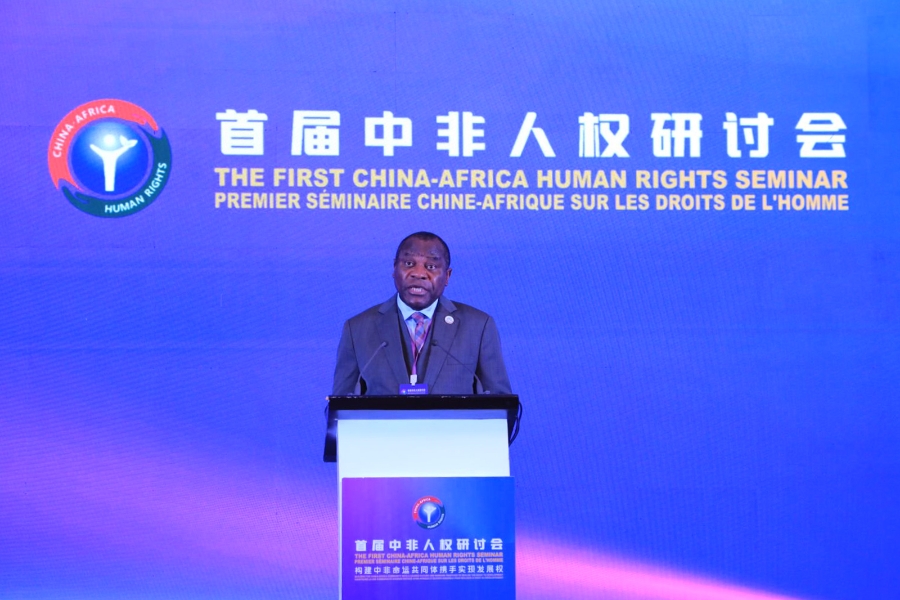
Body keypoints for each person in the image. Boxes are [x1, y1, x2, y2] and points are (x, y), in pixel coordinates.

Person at [332, 232, 512, 395]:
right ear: (394, 269)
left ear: (447, 276)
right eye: (409, 264)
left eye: (431, 266)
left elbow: (500, 403)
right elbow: (340, 406)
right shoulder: (358, 329)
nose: (418, 274)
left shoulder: (478, 326)